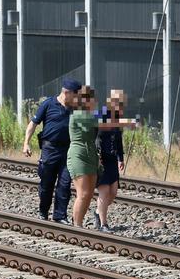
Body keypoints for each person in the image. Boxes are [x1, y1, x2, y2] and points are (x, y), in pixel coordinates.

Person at [22, 78, 81, 224]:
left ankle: (60, 216)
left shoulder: (76, 108)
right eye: (75, 95)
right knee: (47, 184)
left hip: (68, 150)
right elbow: (33, 124)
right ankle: (43, 212)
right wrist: (26, 144)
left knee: (64, 184)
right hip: (50, 149)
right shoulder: (48, 104)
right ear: (66, 93)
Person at [92, 89, 135, 233]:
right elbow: (95, 136)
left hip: (112, 159)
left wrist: (120, 159)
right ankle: (104, 224)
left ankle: (98, 212)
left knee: (113, 191)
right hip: (101, 159)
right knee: (104, 191)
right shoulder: (101, 114)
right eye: (117, 102)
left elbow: (118, 140)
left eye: (121, 103)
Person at [67, 85, 100, 228]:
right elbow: (89, 125)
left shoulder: (90, 114)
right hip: (78, 154)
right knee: (83, 193)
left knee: (89, 193)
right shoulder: (78, 114)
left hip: (91, 153)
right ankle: (77, 226)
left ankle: (79, 223)